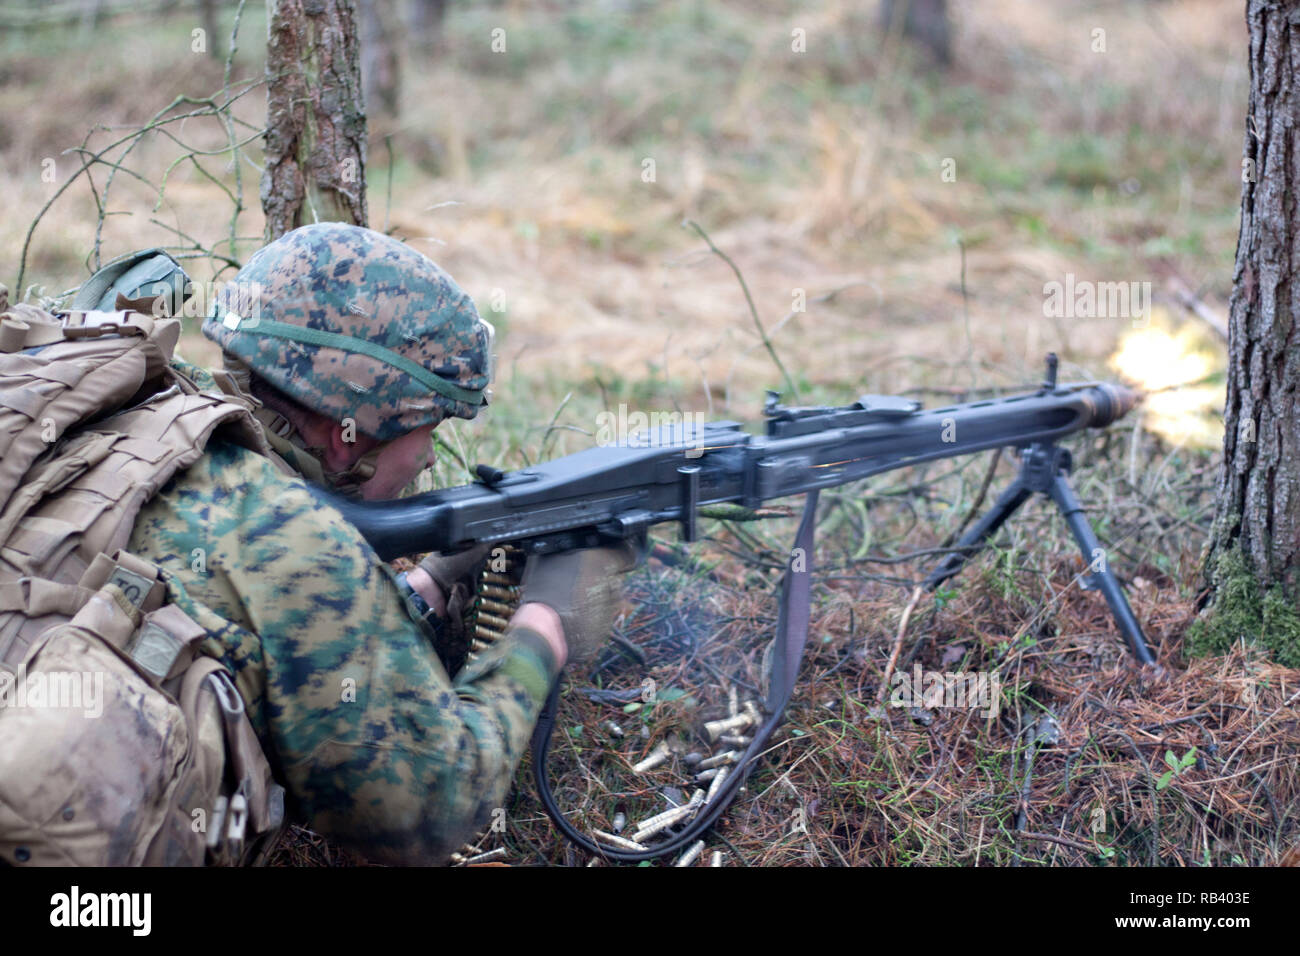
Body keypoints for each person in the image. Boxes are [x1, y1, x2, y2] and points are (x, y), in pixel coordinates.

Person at [118, 221, 636, 864]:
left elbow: (273, 634)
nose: (427, 459)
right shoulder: (293, 539)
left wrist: (433, 585)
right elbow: (427, 811)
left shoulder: (153, 421)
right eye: (430, 424)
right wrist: (545, 624)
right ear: (350, 434)